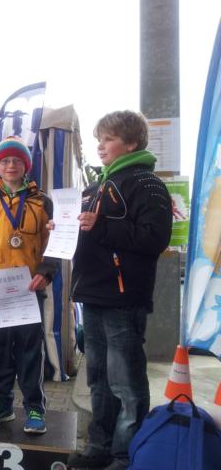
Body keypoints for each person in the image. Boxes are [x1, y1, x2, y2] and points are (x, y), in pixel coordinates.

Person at [62, 111, 172, 470]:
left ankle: (126, 455)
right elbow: (89, 234)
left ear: (132, 142)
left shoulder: (147, 184)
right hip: (92, 294)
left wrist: (101, 226)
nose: (100, 145)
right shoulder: (95, 187)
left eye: (108, 138)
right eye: (100, 139)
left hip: (123, 298)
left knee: (126, 383)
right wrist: (61, 229)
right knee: (98, 380)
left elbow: (155, 238)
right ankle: (99, 448)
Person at [0, 136, 58, 434]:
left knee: (31, 348)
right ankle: (0, 404)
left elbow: (55, 242)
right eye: (4, 161)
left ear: (26, 165)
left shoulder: (42, 201)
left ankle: (34, 408)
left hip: (30, 287)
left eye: (17, 160)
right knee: (0, 347)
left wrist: (46, 272)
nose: (10, 165)